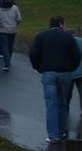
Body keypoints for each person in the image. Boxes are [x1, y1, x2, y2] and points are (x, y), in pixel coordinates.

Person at [29, 16, 81, 144]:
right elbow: (76, 55)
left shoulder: (41, 36)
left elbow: (33, 54)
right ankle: (61, 130)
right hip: (65, 73)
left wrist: (39, 67)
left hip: (48, 72)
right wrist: (71, 68)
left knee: (51, 104)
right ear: (61, 24)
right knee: (62, 103)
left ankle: (52, 135)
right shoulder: (68, 37)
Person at [0, 0, 22, 71]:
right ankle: (8, 60)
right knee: (10, 46)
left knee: (4, 47)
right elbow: (19, 18)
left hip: (3, 30)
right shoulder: (15, 8)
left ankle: (7, 63)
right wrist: (15, 24)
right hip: (12, 30)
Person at [69, 28, 82, 113]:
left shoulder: (69, 41)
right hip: (81, 73)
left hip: (69, 72)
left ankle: (65, 110)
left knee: (67, 95)